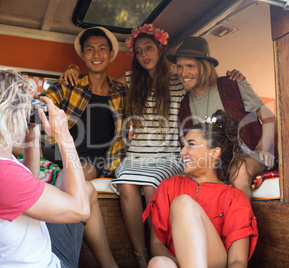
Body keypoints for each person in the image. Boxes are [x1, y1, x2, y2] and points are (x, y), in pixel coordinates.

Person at [61, 24, 247, 268]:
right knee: (126, 186)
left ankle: (161, 248)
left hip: (168, 155)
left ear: (161, 49)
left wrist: (233, 76)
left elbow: (202, 77)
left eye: (149, 48)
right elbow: (99, 80)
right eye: (138, 51)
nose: (144, 55)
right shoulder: (130, 79)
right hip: (136, 154)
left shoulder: (178, 79)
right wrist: (75, 70)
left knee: (152, 187)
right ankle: (141, 256)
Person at [0, 69, 90, 267]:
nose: (27, 115)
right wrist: (65, 137)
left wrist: (32, 137)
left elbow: (30, 181)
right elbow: (80, 209)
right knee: (85, 193)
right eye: (24, 110)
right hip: (46, 263)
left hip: (33, 253)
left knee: (88, 189)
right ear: (6, 115)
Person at [142, 110, 258, 268]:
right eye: (183, 146)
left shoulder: (234, 197)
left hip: (216, 263)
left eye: (191, 145)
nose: (183, 152)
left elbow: (237, 261)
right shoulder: (168, 187)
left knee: (182, 203)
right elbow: (156, 245)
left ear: (214, 153)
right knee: (158, 263)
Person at [167, 36, 277, 200]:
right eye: (180, 67)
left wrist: (262, 149)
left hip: (248, 153)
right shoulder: (183, 106)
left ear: (205, 67)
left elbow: (269, 118)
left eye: (190, 66)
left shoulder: (233, 84)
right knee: (177, 182)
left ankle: (240, 224)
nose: (183, 73)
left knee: (238, 171)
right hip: (212, 161)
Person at [39, 26, 127, 180]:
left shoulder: (121, 93)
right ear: (82, 54)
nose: (96, 55)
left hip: (92, 160)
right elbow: (40, 103)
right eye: (90, 49)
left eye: (102, 49)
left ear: (111, 53)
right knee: (8, 145)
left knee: (70, 176)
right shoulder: (70, 83)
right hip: (58, 150)